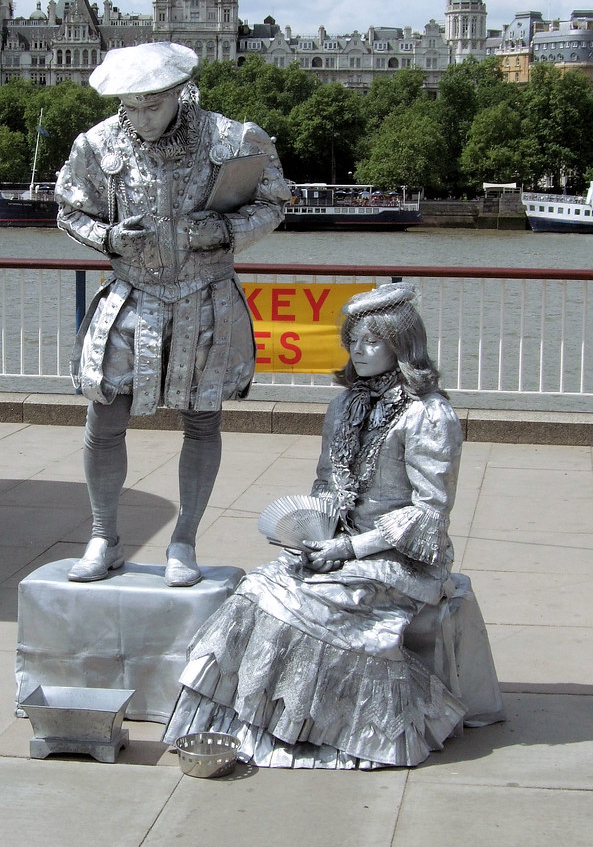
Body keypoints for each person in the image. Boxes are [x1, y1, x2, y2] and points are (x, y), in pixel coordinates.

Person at [164, 283, 497, 767]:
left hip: (400, 558)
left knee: (311, 608)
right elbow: (326, 481)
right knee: (255, 589)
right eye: (353, 340)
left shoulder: (430, 414)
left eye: (372, 341)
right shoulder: (344, 405)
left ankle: (321, 731)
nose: (357, 351)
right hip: (336, 543)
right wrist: (315, 532)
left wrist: (350, 550)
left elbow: (430, 512)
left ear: (402, 344)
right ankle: (258, 726)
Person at [55, 42, 289, 587]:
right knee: (104, 417)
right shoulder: (96, 144)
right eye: (130, 107)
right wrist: (109, 237)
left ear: (178, 94)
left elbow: (276, 199)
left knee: (203, 420)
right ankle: (103, 534)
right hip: (131, 297)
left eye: (152, 106)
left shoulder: (232, 138)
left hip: (204, 299)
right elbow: (68, 209)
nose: (140, 118)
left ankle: (183, 541)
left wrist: (229, 231)